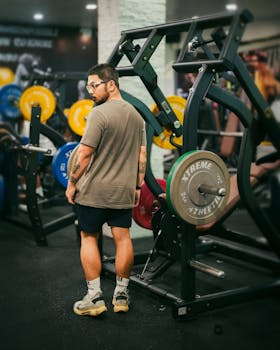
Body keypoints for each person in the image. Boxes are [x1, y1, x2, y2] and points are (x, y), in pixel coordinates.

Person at [65, 63, 147, 317]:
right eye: (88, 85)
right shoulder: (137, 116)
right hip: (122, 191)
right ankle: (121, 294)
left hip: (94, 191)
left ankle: (94, 297)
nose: (90, 90)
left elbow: (85, 153)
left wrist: (72, 181)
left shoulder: (98, 114)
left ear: (111, 84)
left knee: (89, 237)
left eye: (94, 85)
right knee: (123, 239)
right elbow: (141, 155)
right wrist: (137, 187)